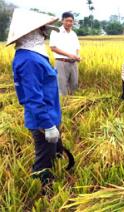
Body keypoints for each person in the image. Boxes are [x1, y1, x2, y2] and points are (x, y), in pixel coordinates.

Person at [6, 9, 73, 189]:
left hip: (50, 114)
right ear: (31, 33)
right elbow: (32, 98)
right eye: (42, 30)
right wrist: (48, 125)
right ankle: (42, 189)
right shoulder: (29, 60)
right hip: (43, 120)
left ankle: (54, 174)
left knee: (53, 152)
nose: (45, 34)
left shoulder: (32, 56)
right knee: (44, 160)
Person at [50, 11, 80, 96]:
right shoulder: (56, 32)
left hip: (73, 63)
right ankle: (64, 106)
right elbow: (53, 48)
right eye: (67, 20)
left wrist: (77, 56)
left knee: (74, 85)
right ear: (62, 21)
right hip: (61, 62)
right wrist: (69, 55)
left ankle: (73, 105)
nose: (69, 23)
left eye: (71, 21)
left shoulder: (73, 34)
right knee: (62, 86)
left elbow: (77, 48)